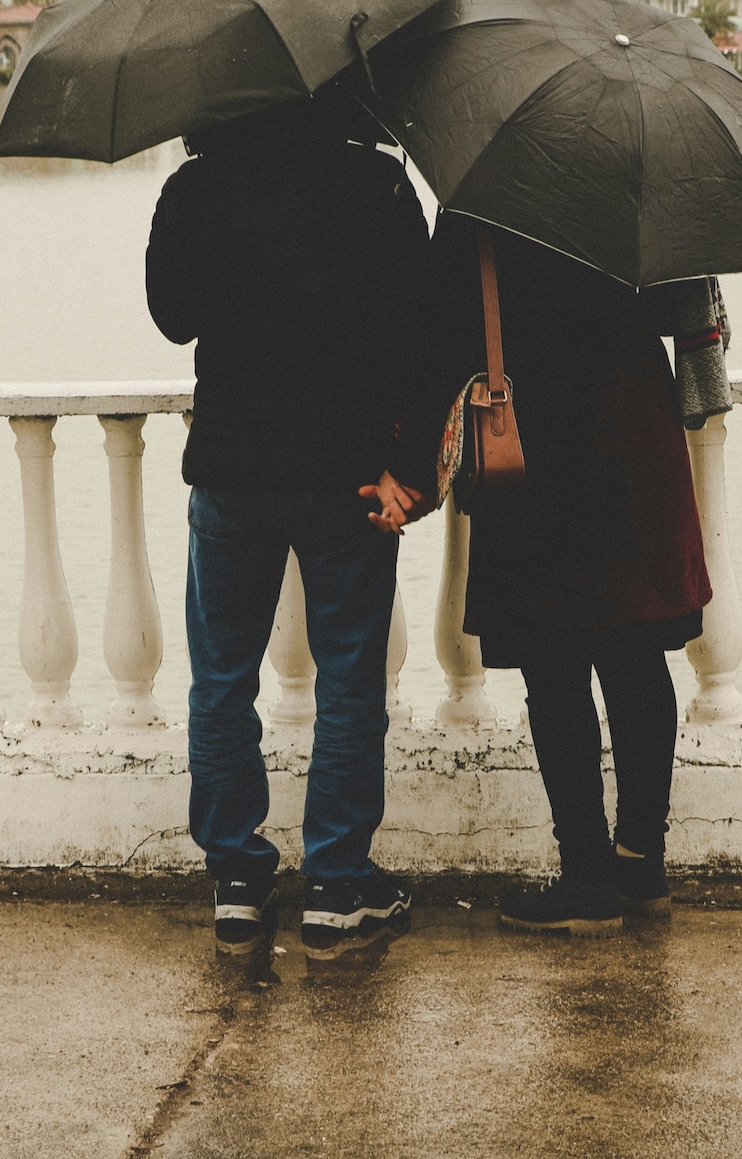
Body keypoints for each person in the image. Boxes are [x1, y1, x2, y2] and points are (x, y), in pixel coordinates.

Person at [146, 94, 441, 957]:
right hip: (347, 470)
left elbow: (173, 319)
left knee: (222, 678)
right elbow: (422, 336)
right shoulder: (377, 185)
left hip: (235, 467)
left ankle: (237, 880)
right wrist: (413, 467)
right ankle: (336, 884)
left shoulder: (196, 187)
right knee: (349, 677)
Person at [436, 213, 726, 937]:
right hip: (629, 428)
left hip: (530, 435)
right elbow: (677, 307)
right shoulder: (634, 177)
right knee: (635, 657)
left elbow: (445, 323)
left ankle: (587, 876)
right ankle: (640, 863)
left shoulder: (483, 200)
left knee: (554, 665)